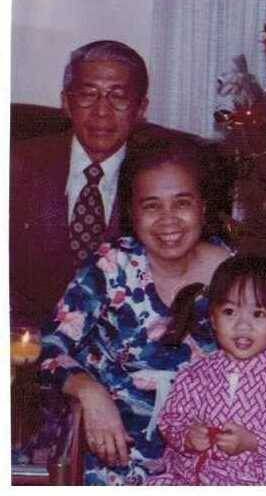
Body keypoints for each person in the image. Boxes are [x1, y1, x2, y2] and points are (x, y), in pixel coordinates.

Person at [39, 137, 232, 485]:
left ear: (204, 206)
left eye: (182, 203)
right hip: (110, 455)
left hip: (206, 461)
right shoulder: (112, 265)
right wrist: (88, 390)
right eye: (152, 206)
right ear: (132, 212)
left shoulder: (234, 277)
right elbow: (50, 348)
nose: (168, 220)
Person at [11, 40, 149, 328]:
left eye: (118, 96)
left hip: (113, 348)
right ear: (65, 102)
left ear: (140, 109)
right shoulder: (17, 164)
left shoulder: (157, 176)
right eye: (88, 94)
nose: (101, 111)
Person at [145, 255, 266, 485]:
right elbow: (171, 420)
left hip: (257, 480)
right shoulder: (194, 375)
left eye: (258, 314)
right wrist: (187, 436)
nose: (243, 325)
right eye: (229, 312)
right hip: (193, 477)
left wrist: (253, 441)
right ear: (213, 318)